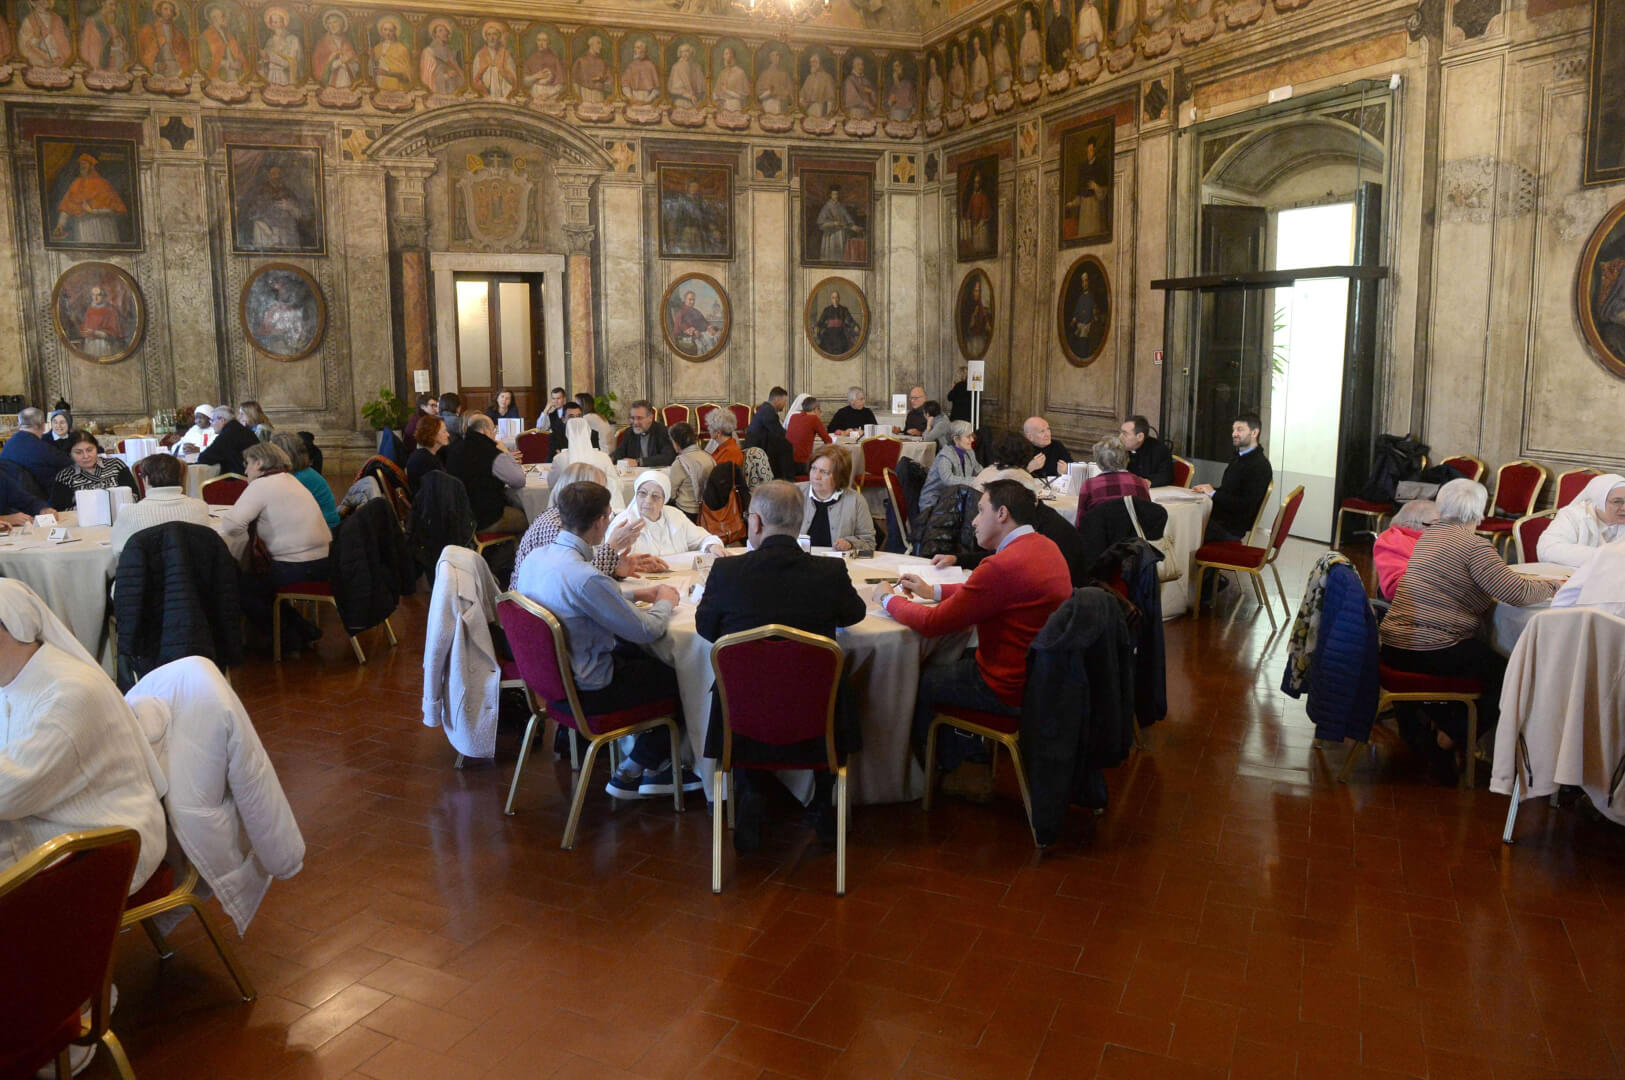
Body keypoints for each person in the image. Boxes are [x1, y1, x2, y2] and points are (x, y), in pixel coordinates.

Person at [695, 480, 868, 852]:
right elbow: (855, 614)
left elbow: (706, 629)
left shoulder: (726, 572)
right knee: (838, 683)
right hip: (816, 718)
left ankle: (751, 791)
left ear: (755, 522)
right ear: (800, 521)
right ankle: (823, 801)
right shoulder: (829, 573)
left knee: (734, 682)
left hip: (743, 716)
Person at [878, 480, 1071, 796]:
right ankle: (961, 757)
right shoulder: (1046, 547)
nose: (974, 521)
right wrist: (933, 590)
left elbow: (932, 623)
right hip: (1039, 679)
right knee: (950, 657)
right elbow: (987, 592)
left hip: (1003, 686)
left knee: (915, 679)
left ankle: (936, 773)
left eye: (981, 511)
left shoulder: (1002, 565)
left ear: (1002, 513)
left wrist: (887, 599)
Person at [515, 481, 699, 800]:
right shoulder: (585, 576)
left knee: (642, 657)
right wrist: (665, 601)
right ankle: (640, 766)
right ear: (601, 521)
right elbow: (647, 630)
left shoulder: (537, 558)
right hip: (591, 690)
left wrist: (637, 594)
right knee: (684, 675)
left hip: (550, 683)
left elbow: (579, 598)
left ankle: (647, 758)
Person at [1381, 479, 1558, 783]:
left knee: (1486, 660)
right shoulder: (1474, 546)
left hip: (1396, 642)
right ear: (1480, 511)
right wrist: (1554, 586)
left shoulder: (1430, 535)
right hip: (1430, 647)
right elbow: (1517, 593)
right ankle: (1451, 737)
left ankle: (1437, 727)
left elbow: (1469, 586)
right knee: (1513, 673)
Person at [0, 579, 167, 892]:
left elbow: (9, 792)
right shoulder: (13, 681)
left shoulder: (68, 693)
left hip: (101, 847)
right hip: (46, 824)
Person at [215, 443, 333, 654]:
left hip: (296, 565)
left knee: (239, 585)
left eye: (248, 463)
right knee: (260, 586)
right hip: (323, 560)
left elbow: (232, 526)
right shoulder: (291, 480)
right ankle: (303, 630)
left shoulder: (262, 485)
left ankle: (287, 639)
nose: (245, 470)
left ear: (259, 463)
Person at [515, 463, 660, 579]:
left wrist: (616, 567)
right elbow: (575, 579)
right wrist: (613, 546)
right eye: (598, 491)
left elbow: (583, 566)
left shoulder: (569, 517)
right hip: (534, 604)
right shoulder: (555, 525)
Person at [111, 453, 212, 555]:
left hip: (148, 565)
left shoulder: (130, 513)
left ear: (146, 479)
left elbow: (119, 553)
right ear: (179, 477)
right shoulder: (200, 507)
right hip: (192, 564)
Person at [1194, 412, 1272, 542]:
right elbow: (1229, 491)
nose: (1234, 434)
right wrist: (1209, 490)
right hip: (1222, 519)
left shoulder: (1260, 466)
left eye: (1240, 430)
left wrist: (1213, 493)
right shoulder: (1239, 458)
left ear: (1254, 433)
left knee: (1184, 524)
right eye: (1233, 429)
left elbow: (1244, 505)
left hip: (1231, 527)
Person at [446, 414, 527, 535]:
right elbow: (519, 480)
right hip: (484, 519)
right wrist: (505, 452)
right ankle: (517, 547)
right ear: (485, 430)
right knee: (528, 517)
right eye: (493, 431)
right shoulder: (491, 453)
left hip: (458, 515)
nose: (494, 435)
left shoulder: (455, 446)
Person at [613, 471, 725, 558]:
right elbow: (615, 560)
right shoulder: (623, 522)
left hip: (678, 576)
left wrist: (712, 546)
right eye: (642, 493)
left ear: (664, 500)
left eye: (655, 496)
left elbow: (702, 538)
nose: (648, 500)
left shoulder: (675, 515)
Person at [798, 445, 875, 555]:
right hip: (800, 562)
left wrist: (850, 543)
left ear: (840, 476)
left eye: (824, 472)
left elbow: (869, 544)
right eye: (814, 469)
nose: (816, 476)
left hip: (837, 563)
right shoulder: (793, 494)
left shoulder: (856, 501)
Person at [1537, 473, 1625, 567]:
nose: (1624, 508)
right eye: (1617, 501)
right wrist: (1607, 557)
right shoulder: (1572, 515)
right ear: (1599, 501)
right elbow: (1548, 549)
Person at [50, 430, 137, 510]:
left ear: (96, 448)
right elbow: (59, 510)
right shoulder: (65, 476)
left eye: (89, 450)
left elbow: (135, 496)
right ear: (70, 454)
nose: (86, 456)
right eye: (78, 452)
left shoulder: (116, 465)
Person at [550, 415, 623, 511]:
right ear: (589, 432)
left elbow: (552, 484)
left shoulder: (559, 459)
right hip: (601, 506)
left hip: (568, 507)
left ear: (567, 433)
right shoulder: (603, 457)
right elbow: (616, 483)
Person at [1371, 499, 1439, 601]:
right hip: (1413, 605)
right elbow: (1394, 588)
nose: (1441, 530)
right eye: (1435, 526)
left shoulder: (1436, 541)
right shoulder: (1392, 542)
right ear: (1408, 526)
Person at [272, 432, 339, 530]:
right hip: (314, 527)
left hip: (324, 530)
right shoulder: (299, 473)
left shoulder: (301, 478)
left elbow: (278, 511)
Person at [0, 407, 71, 493]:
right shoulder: (44, 449)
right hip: (38, 498)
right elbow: (71, 465)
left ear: (19, 425)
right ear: (43, 426)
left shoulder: (8, 444)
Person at [916, 421, 979, 517]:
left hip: (953, 500)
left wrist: (991, 475)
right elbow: (948, 479)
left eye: (972, 435)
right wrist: (974, 481)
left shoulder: (969, 452)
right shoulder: (945, 456)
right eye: (968, 436)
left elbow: (978, 470)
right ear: (956, 439)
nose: (972, 439)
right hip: (934, 504)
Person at [1074, 436, 1149, 516]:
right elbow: (1149, 515)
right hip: (1131, 524)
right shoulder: (1141, 483)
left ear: (1098, 462)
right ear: (1127, 458)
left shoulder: (1089, 486)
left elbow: (1081, 520)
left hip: (1100, 524)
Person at [1551, 538, 1625, 616]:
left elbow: (1561, 602)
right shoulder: (1607, 552)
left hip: (1591, 620)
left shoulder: (1607, 552)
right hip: (1592, 619)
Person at [197, 405, 260, 477]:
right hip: (254, 474)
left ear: (222, 420)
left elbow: (204, 458)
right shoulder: (240, 429)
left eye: (212, 420)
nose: (211, 424)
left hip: (240, 478)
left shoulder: (227, 434)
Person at [667, 423, 715, 519]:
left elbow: (670, 494)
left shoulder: (680, 462)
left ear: (675, 443)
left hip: (687, 511)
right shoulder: (708, 456)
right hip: (707, 509)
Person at [611, 400, 676, 468]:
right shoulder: (629, 432)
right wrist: (611, 459)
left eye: (639, 418)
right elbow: (620, 451)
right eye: (632, 418)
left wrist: (639, 462)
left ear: (650, 418)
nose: (635, 422)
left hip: (655, 472)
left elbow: (668, 457)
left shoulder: (662, 431)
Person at [1119, 415, 1174, 488]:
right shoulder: (1118, 448)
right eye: (1121, 432)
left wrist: (1149, 482)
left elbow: (1166, 476)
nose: (1120, 437)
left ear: (1140, 437)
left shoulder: (1159, 450)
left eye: (1125, 434)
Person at [786, 394, 832, 472]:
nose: (820, 413)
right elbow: (828, 441)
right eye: (819, 410)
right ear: (815, 409)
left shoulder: (793, 417)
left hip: (787, 461)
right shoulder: (814, 419)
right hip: (802, 463)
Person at [406, 414, 448, 498]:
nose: (448, 434)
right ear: (433, 435)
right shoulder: (425, 461)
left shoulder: (428, 454)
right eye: (444, 431)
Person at [539, 386, 569, 454]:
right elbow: (541, 428)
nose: (556, 401)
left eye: (558, 398)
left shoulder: (570, 412)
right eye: (553, 399)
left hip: (568, 447)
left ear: (564, 399)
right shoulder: (551, 415)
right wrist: (546, 410)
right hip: (555, 449)